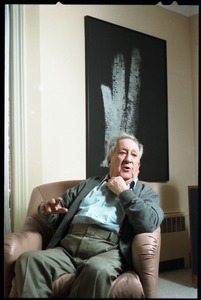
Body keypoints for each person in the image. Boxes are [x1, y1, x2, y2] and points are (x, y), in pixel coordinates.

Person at [14, 132, 164, 298]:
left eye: (134, 155)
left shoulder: (145, 193)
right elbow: (59, 212)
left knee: (97, 269)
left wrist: (123, 192)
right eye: (122, 152)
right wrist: (48, 212)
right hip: (68, 246)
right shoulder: (88, 185)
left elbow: (149, 222)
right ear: (109, 160)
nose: (128, 159)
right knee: (29, 260)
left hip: (108, 249)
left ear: (138, 166)